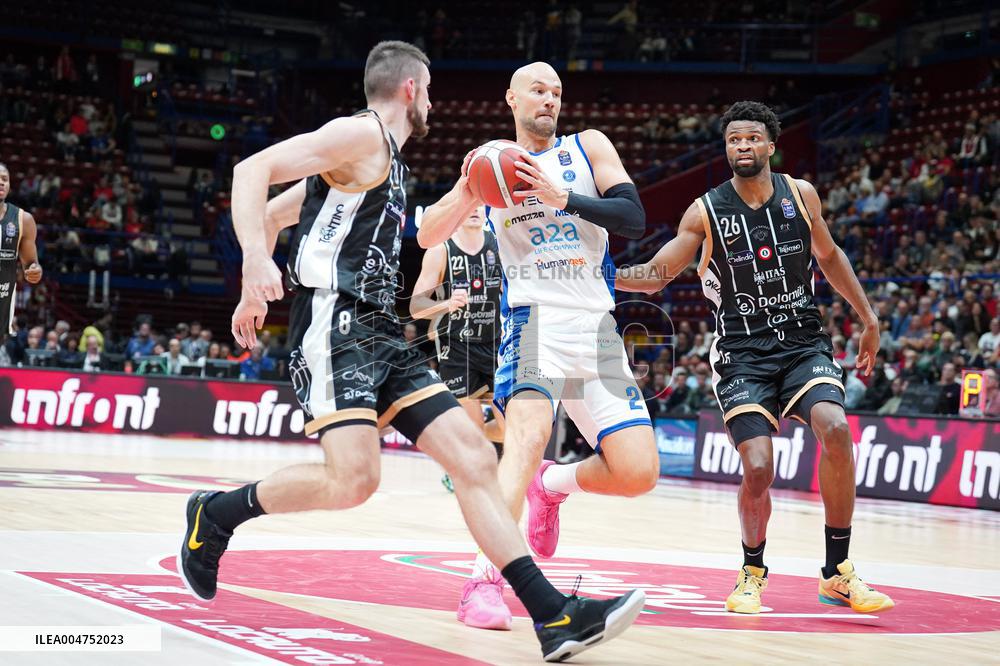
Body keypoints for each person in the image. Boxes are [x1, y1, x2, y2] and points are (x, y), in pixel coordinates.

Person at [179, 42, 643, 662]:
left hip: (381, 329)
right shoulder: (358, 133)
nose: (433, 102)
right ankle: (216, 514)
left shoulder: (388, 162)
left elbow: (278, 213)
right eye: (429, 90)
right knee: (354, 481)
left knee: (474, 458)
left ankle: (553, 616)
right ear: (409, 89)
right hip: (334, 321)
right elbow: (250, 173)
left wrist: (259, 255)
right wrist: (253, 269)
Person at [616, 101, 894, 615]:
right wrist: (598, 275)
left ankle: (837, 572)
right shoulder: (705, 211)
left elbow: (829, 256)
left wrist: (869, 317)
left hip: (803, 344)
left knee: (835, 428)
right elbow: (657, 275)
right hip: (743, 355)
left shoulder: (801, 195)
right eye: (733, 140)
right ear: (727, 149)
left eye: (751, 138)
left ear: (770, 145)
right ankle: (752, 572)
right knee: (759, 468)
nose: (742, 146)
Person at [419, 61, 658, 630]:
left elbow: (633, 218)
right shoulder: (490, 164)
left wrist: (563, 197)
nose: (549, 99)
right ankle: (482, 583)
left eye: (556, 92)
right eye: (538, 90)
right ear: (512, 98)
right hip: (535, 321)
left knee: (638, 473)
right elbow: (427, 234)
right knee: (525, 438)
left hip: (597, 329)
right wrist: (467, 190)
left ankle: (550, 487)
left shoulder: (587, 148)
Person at [410, 205, 505, 491]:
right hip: (457, 347)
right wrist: (445, 304)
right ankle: (462, 462)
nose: (474, 210)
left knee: (513, 429)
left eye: (479, 206)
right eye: (469, 205)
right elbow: (415, 306)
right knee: (473, 433)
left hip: (497, 344)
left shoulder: (500, 244)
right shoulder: (441, 250)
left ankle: (462, 451)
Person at [0, 163, 43, 340]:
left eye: (5, 179)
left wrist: (35, 271)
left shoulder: (23, 219)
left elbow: (31, 264)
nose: (1, 183)